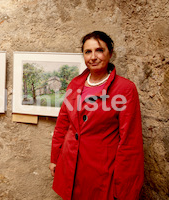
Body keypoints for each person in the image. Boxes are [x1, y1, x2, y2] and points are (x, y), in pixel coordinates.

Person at [49, 31, 144, 200]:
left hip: (101, 170)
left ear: (110, 53)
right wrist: (55, 158)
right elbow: (63, 124)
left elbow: (130, 141)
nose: (93, 57)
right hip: (70, 164)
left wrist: (124, 185)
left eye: (99, 50)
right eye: (88, 52)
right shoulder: (75, 83)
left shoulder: (125, 89)